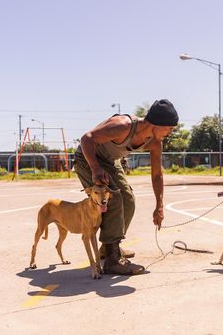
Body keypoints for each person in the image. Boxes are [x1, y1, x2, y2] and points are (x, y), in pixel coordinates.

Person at [74, 99, 178, 275]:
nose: (170, 133)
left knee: (128, 200)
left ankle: (108, 248)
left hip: (110, 161)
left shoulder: (155, 142)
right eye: (169, 128)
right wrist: (95, 168)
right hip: (88, 159)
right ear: (156, 123)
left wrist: (159, 205)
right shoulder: (123, 125)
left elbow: (156, 175)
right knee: (114, 200)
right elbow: (87, 139)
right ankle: (113, 260)